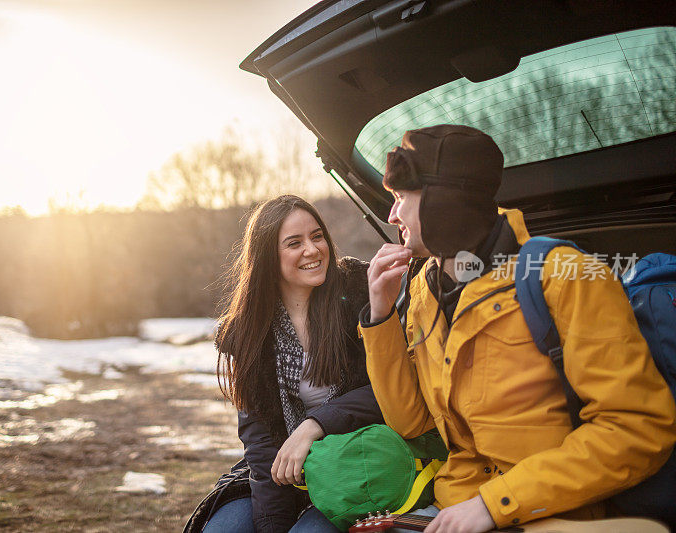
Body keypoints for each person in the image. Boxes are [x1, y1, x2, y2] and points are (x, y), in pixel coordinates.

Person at [359, 125, 676, 533]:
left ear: (443, 202)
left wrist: (495, 505)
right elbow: (411, 423)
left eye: (401, 198)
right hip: (455, 511)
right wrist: (381, 314)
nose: (391, 215)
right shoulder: (421, 290)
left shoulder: (568, 278)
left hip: (554, 514)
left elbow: (636, 429)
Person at [184, 195, 383, 533]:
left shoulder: (359, 293)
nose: (312, 249)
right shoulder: (250, 330)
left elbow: (388, 392)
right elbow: (260, 443)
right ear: (267, 258)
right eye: (294, 243)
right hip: (279, 473)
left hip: (356, 463)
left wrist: (314, 424)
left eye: (317, 236)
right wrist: (272, 524)